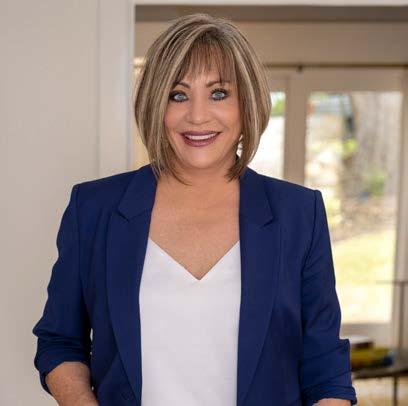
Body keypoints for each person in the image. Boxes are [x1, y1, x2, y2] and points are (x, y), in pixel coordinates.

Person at [32, 13, 358, 406]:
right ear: (156, 103)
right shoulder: (94, 209)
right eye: (178, 94)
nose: (198, 116)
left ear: (247, 104)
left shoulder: (299, 214)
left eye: (218, 93)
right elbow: (60, 342)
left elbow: (326, 371)